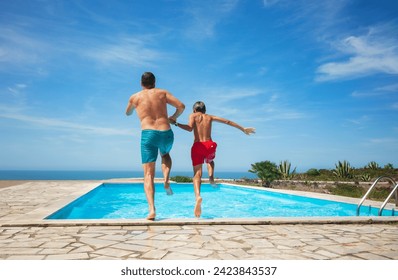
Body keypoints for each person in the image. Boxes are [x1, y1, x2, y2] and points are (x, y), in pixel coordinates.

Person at [172, 101, 255, 218]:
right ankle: (211, 178)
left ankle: (198, 196)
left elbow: (190, 128)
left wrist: (176, 124)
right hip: (209, 145)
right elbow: (227, 121)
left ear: (194, 110)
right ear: (204, 110)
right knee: (210, 160)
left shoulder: (193, 115)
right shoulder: (210, 117)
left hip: (197, 146)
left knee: (197, 174)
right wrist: (243, 129)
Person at [126, 72, 185, 220]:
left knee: (148, 175)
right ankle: (166, 179)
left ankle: (152, 210)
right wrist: (173, 117)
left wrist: (134, 107)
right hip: (166, 131)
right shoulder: (162, 93)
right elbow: (181, 106)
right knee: (165, 155)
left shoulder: (135, 97)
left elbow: (127, 113)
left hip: (148, 134)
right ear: (154, 82)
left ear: (141, 83)